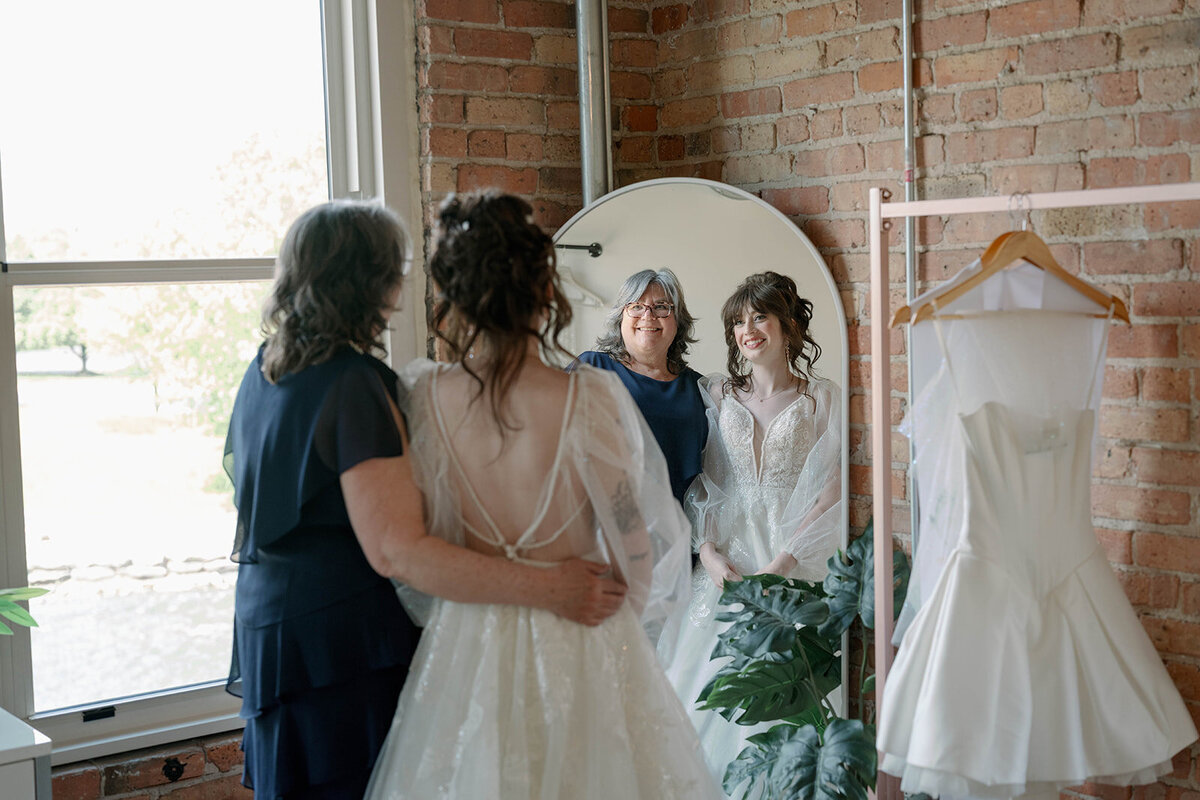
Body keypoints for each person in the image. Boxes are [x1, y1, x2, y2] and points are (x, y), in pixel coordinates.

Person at [223, 200, 628, 800]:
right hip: (340, 647)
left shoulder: (265, 370)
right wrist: (555, 588)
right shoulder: (353, 385)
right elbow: (397, 553)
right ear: (368, 281)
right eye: (394, 271)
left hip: (273, 632)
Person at [363, 191, 722, 800]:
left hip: (466, 650)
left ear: (453, 296)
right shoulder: (591, 399)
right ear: (544, 292)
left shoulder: (421, 397)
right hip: (582, 636)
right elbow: (641, 551)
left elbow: (415, 557)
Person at [665, 271, 843, 792]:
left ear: (788, 324)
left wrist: (783, 567)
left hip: (792, 555)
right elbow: (707, 483)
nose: (748, 330)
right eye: (739, 321)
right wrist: (708, 553)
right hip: (730, 562)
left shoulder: (821, 398)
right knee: (704, 690)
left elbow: (831, 491)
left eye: (759, 316)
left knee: (789, 687)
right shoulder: (718, 395)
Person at [572, 269, 706, 507]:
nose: (648, 316)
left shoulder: (699, 388)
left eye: (661, 306)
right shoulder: (591, 368)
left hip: (681, 533)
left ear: (678, 320)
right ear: (621, 316)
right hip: (605, 529)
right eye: (636, 306)